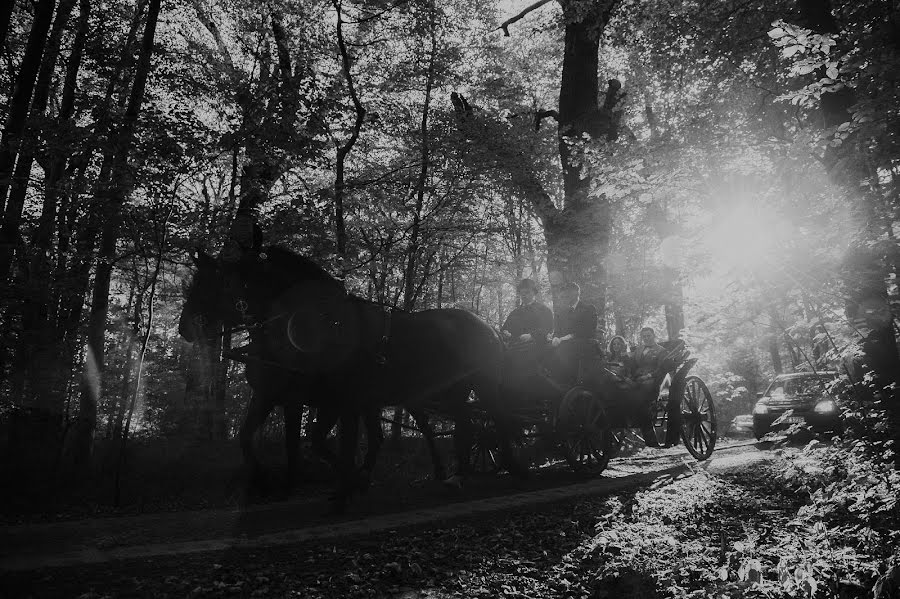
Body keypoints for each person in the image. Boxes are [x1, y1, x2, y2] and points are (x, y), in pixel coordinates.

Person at [550, 282, 598, 384]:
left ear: (576, 293)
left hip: (582, 347)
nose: (564, 297)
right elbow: (557, 330)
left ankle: (567, 382)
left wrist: (566, 337)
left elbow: (588, 330)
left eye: (567, 294)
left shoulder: (588, 309)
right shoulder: (561, 313)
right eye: (563, 295)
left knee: (564, 350)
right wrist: (555, 337)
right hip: (563, 345)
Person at [501, 278, 554, 346]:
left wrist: (532, 336)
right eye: (521, 292)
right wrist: (505, 333)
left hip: (537, 349)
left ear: (534, 293)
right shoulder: (514, 313)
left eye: (527, 292)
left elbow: (548, 329)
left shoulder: (544, 310)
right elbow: (504, 330)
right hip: (515, 349)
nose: (524, 295)